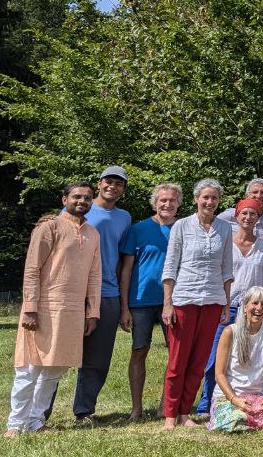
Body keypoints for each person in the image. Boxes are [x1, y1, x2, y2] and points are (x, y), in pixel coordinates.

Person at [5, 183, 102, 437]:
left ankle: (35, 421)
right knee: (29, 368)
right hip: (44, 307)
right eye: (76, 196)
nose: (82, 201)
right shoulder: (49, 227)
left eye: (87, 197)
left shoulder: (93, 234)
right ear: (64, 199)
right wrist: (30, 307)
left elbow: (95, 275)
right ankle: (15, 424)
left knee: (55, 370)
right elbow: (32, 268)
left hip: (72, 311)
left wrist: (92, 311)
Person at [58, 165, 131, 426]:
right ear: (99, 184)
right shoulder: (81, 209)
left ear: (123, 189)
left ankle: (84, 412)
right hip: (74, 292)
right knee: (59, 354)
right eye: (108, 181)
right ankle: (39, 413)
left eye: (119, 183)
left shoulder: (125, 218)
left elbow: (124, 262)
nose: (113, 186)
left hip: (108, 293)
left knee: (97, 359)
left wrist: (124, 305)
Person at [160, 178, 234, 429]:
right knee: (178, 361)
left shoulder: (224, 228)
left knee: (200, 362)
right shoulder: (181, 226)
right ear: (196, 199)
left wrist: (226, 303)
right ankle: (170, 414)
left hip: (213, 300)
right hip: (184, 299)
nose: (209, 202)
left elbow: (227, 269)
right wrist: (167, 304)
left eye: (214, 198)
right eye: (205, 197)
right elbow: (170, 267)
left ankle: (184, 413)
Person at [197, 197, 263, 415]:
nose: (248, 218)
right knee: (215, 358)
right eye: (244, 213)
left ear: (258, 219)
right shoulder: (225, 242)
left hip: (253, 313)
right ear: (236, 216)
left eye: (253, 214)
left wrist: (259, 302)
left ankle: (248, 398)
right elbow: (215, 275)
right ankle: (207, 402)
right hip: (226, 309)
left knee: (249, 359)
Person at [117, 182, 181, 420]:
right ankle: (136, 408)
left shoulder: (184, 228)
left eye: (172, 200)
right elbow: (126, 271)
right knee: (139, 350)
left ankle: (166, 406)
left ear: (179, 203)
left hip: (174, 301)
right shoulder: (138, 229)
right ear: (155, 202)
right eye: (163, 200)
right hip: (141, 300)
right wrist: (124, 307)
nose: (167, 204)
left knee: (174, 355)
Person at [207, 286, 263, 431]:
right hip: (230, 396)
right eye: (255, 303)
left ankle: (254, 419)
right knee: (236, 421)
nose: (259, 308)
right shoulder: (229, 332)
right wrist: (234, 399)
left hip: (259, 396)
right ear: (245, 307)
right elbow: (219, 374)